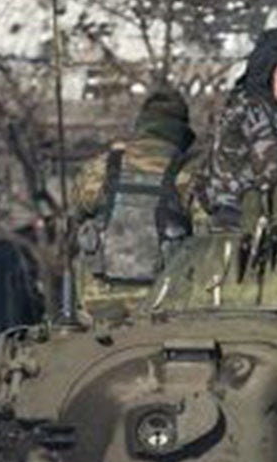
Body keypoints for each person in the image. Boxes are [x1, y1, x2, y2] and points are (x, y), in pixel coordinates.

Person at [71, 88, 195, 312]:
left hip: (99, 301)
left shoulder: (104, 166)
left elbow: (78, 211)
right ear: (182, 130)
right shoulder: (187, 173)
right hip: (163, 304)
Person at [198, 27, 277, 225]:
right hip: (244, 215)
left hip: (225, 211)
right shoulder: (259, 109)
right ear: (267, 70)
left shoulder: (241, 100)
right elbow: (274, 175)